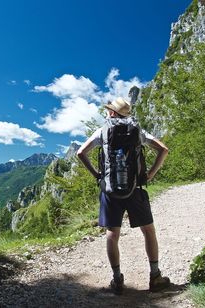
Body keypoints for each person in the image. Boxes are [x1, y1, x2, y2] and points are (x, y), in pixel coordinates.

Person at [76, 97, 170, 294]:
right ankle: (155, 276)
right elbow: (163, 149)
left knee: (112, 234)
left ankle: (117, 280)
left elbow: (80, 153)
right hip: (135, 189)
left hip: (110, 190)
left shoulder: (102, 131)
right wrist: (150, 174)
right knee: (148, 231)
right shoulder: (137, 131)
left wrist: (97, 176)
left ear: (112, 113)